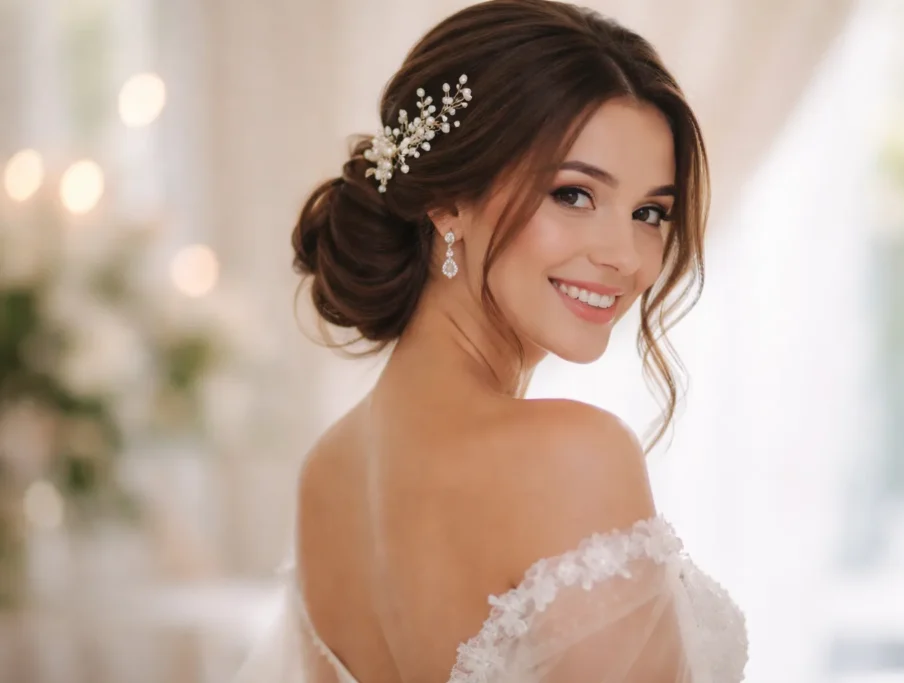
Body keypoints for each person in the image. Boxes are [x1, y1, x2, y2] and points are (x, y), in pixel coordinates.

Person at [234, 1, 748, 681]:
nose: (627, 255)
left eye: (650, 212)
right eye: (573, 194)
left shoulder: (326, 473)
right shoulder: (573, 457)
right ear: (448, 201)